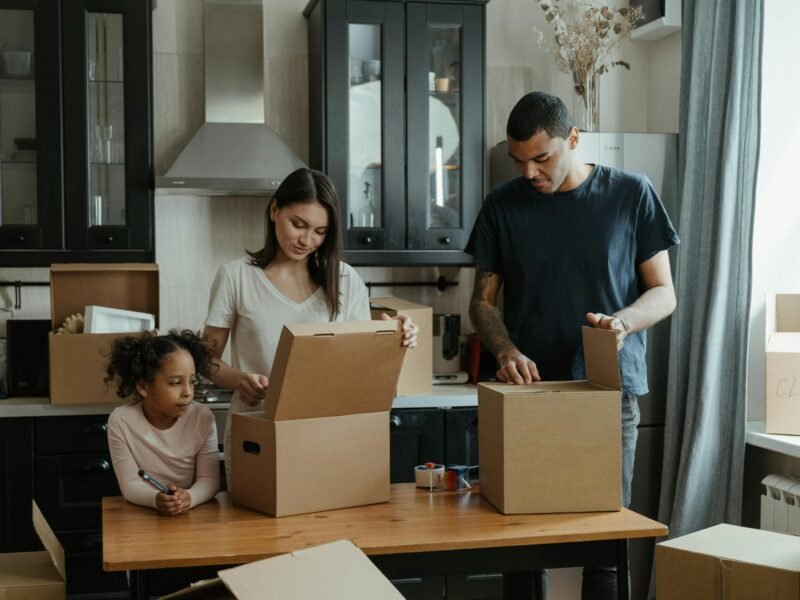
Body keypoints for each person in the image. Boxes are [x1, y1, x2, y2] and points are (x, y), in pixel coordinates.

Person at [467, 91, 679, 599]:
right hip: (529, 396)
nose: (530, 173)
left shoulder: (632, 193)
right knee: (518, 544)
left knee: (604, 545)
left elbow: (664, 293)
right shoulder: (502, 203)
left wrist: (624, 323)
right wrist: (505, 351)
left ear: (574, 139)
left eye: (542, 158)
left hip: (610, 393)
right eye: (520, 161)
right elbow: (482, 303)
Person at [203, 167, 418, 484]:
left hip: (325, 434)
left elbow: (361, 367)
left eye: (320, 231)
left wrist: (391, 336)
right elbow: (204, 359)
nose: (307, 240)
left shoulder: (344, 280)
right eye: (298, 225)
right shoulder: (236, 277)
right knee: (254, 531)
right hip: (257, 431)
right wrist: (238, 379)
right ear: (275, 210)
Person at [105, 330, 220, 516]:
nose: (188, 392)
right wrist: (155, 499)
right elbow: (130, 484)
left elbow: (210, 479)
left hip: (193, 514)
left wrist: (189, 498)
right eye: (175, 382)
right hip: (144, 516)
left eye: (192, 381)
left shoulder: (202, 418)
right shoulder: (121, 421)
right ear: (143, 386)